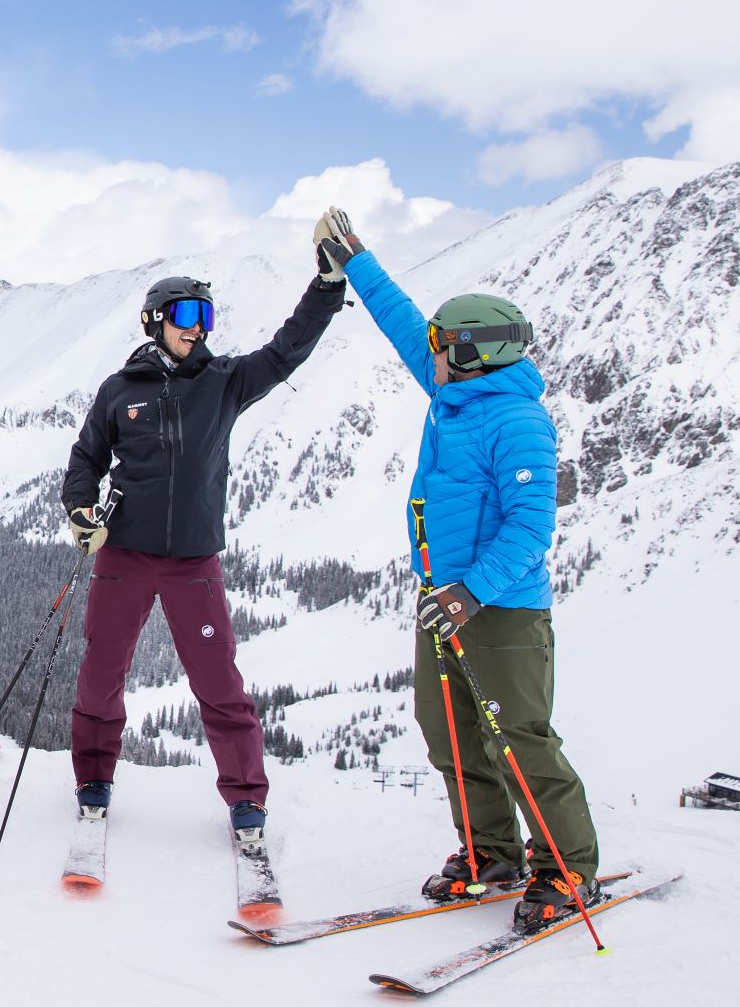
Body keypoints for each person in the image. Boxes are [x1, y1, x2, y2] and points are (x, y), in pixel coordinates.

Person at [317, 207, 596, 933]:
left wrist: (470, 592)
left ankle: (565, 869)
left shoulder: (516, 421)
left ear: (472, 354)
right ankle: (490, 852)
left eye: (443, 345)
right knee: (447, 730)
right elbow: (403, 323)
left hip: (498, 609)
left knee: (517, 735)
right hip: (442, 600)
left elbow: (530, 528)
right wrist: (356, 261)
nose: (429, 350)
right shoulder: (452, 394)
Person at [58, 258, 345, 841]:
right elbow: (86, 459)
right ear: (156, 321)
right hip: (125, 556)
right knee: (101, 675)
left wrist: (326, 287)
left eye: (207, 316)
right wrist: (80, 507)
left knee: (218, 682)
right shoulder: (119, 391)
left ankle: (245, 797)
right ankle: (93, 779)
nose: (199, 329)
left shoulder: (226, 382)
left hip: (194, 560)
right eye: (188, 315)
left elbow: (288, 349)